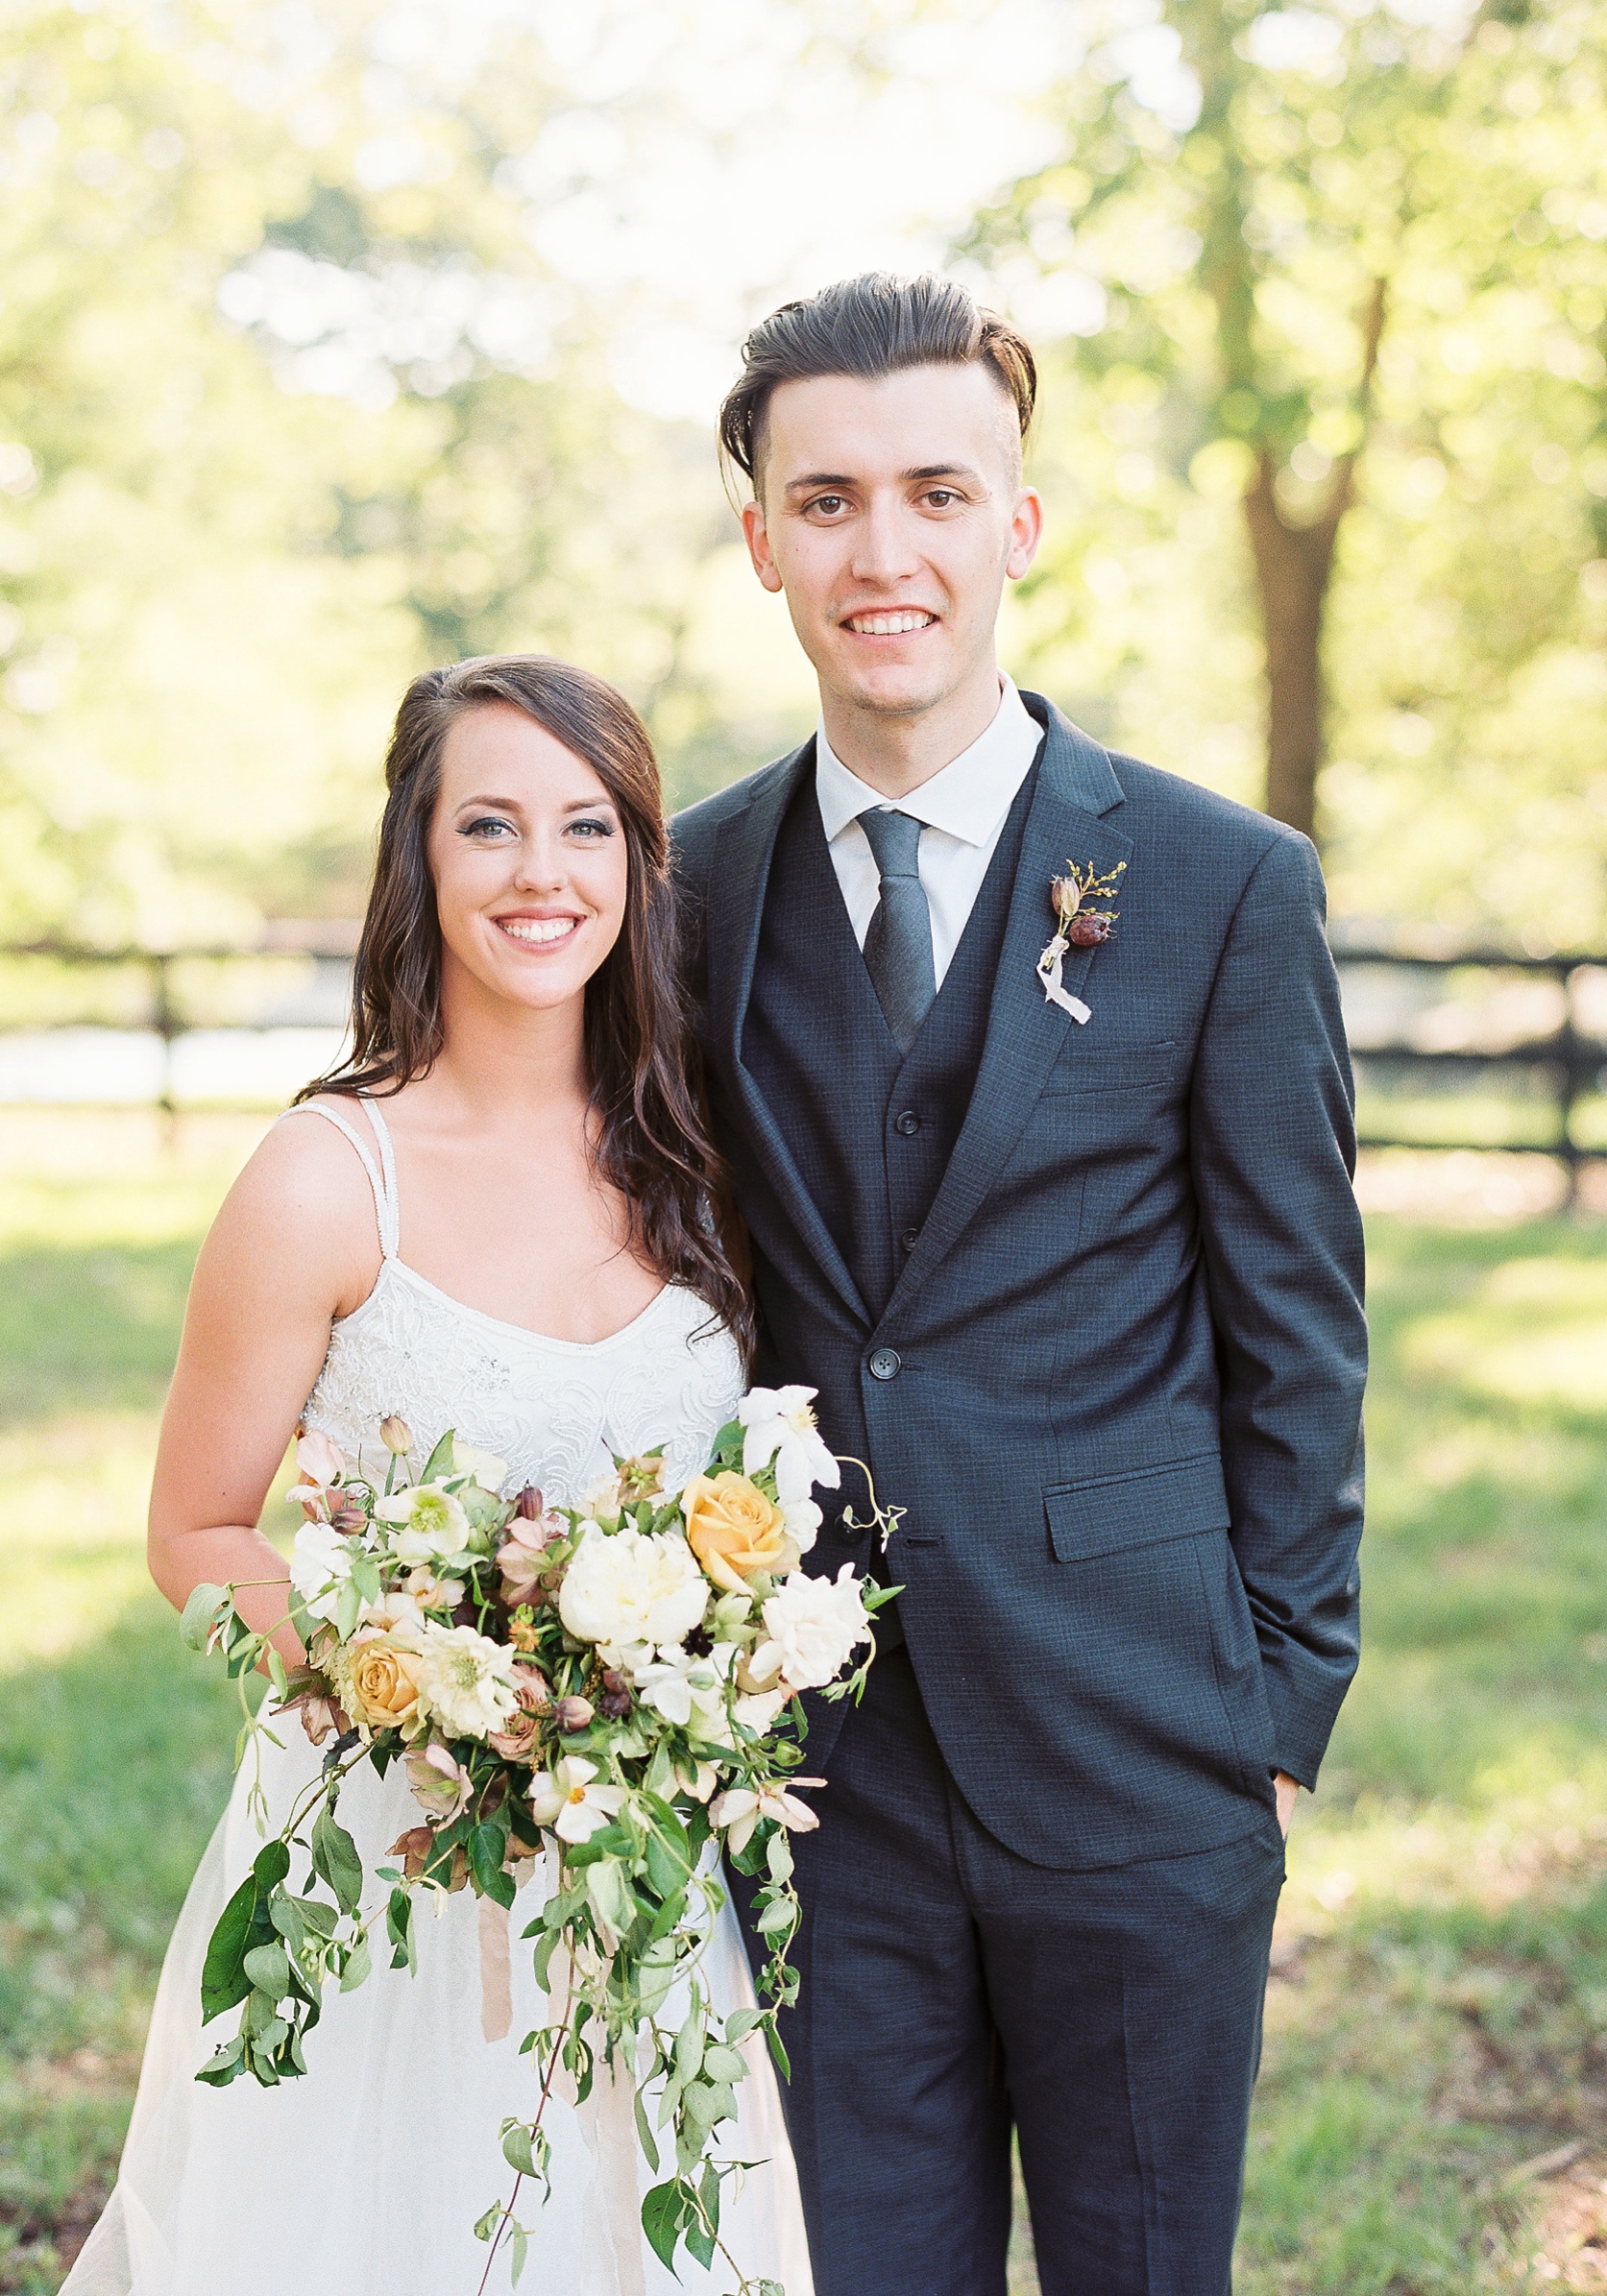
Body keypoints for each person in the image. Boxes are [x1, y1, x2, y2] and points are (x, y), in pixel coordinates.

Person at [672, 273, 1368, 2296]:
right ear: (762, 542)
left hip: (1147, 1731)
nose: (883, 551)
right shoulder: (687, 888)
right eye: (826, 502)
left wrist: (1278, 1701)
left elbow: (1300, 1320)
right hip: (819, 1768)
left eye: (933, 492)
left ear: (1016, 523)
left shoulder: (1223, 882)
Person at [61, 656, 813, 2296]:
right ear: (419, 857)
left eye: (586, 828)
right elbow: (192, 1527)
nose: (543, 874)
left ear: (637, 864)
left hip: (634, 1868)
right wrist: (426, 1680)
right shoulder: (329, 1177)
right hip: (390, 1864)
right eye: (491, 826)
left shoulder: (691, 1160)